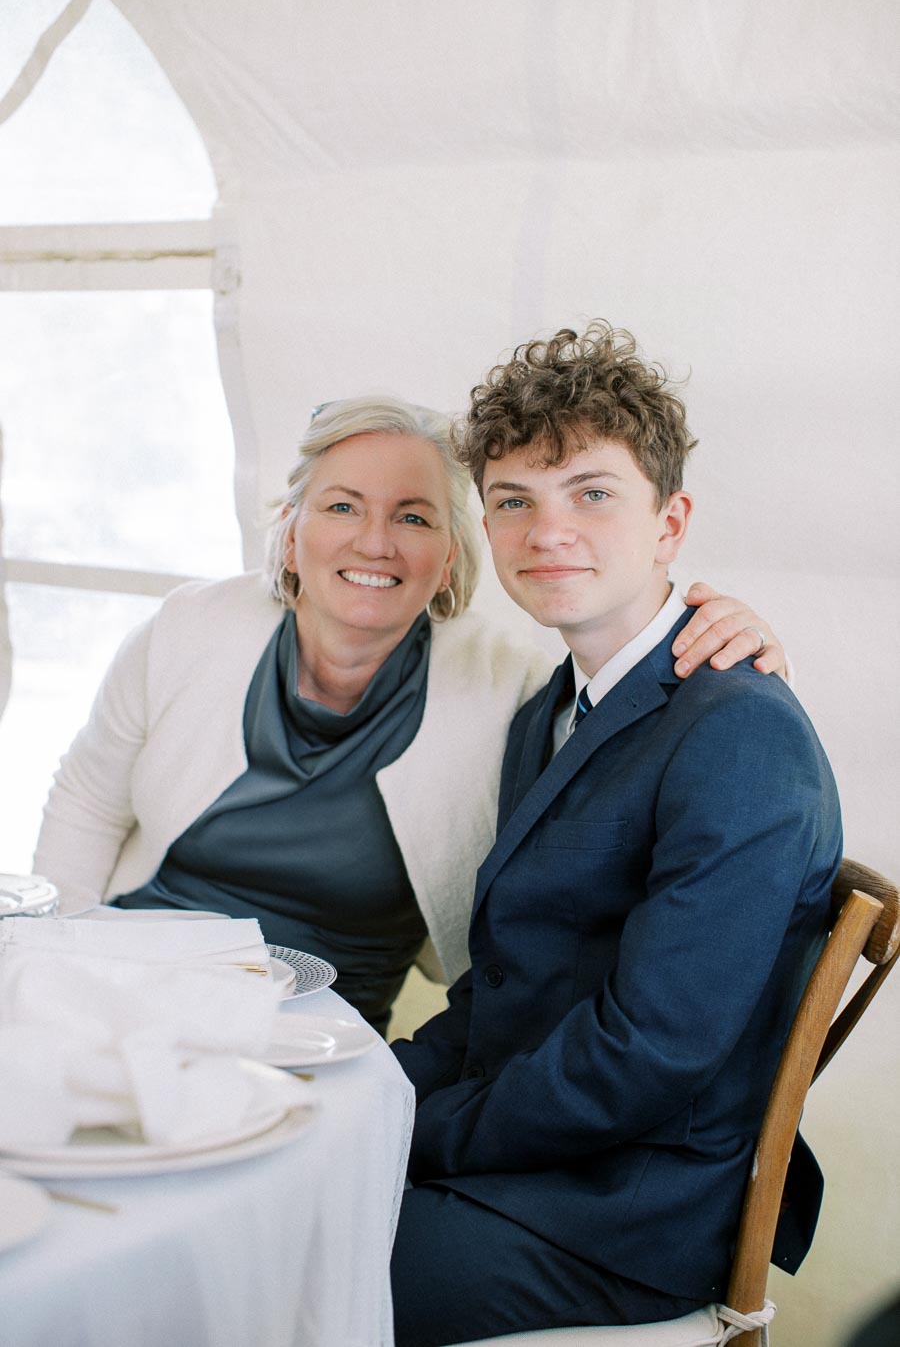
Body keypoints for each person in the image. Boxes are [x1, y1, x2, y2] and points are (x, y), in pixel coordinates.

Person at [34, 396, 785, 1033]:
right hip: (118, 976)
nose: (374, 542)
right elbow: (88, 800)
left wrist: (726, 633)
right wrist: (49, 965)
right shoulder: (191, 624)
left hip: (309, 1034)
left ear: (452, 555)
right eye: (341, 507)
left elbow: (633, 712)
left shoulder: (517, 689)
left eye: (414, 518)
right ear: (293, 534)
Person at [390, 323, 842, 1343]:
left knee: (288, 1262)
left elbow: (649, 1052)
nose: (548, 530)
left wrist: (413, 1135)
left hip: (627, 1211)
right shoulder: (549, 711)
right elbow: (507, 982)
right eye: (513, 501)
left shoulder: (738, 732)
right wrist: (372, 1086)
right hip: (540, 1157)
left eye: (591, 492)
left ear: (670, 523)